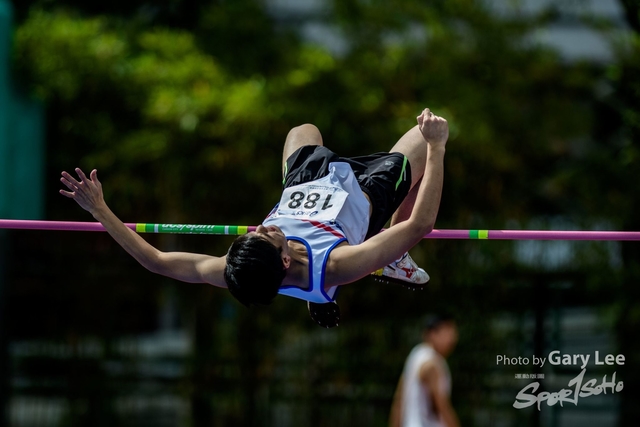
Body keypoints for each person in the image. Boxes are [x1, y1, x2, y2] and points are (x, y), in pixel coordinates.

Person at [60, 108, 448, 327]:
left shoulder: (240, 270)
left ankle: (317, 295)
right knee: (420, 136)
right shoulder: (339, 265)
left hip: (305, 183)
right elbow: (421, 225)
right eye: (267, 235)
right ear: (283, 258)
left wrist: (99, 209)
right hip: (366, 195)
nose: (262, 225)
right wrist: (436, 147)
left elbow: (156, 261)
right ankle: (394, 258)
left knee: (304, 128)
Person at [389, 314, 460, 427]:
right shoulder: (433, 364)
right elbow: (441, 406)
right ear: (432, 334)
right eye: (448, 332)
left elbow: (399, 400)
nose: (453, 338)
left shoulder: (415, 356)